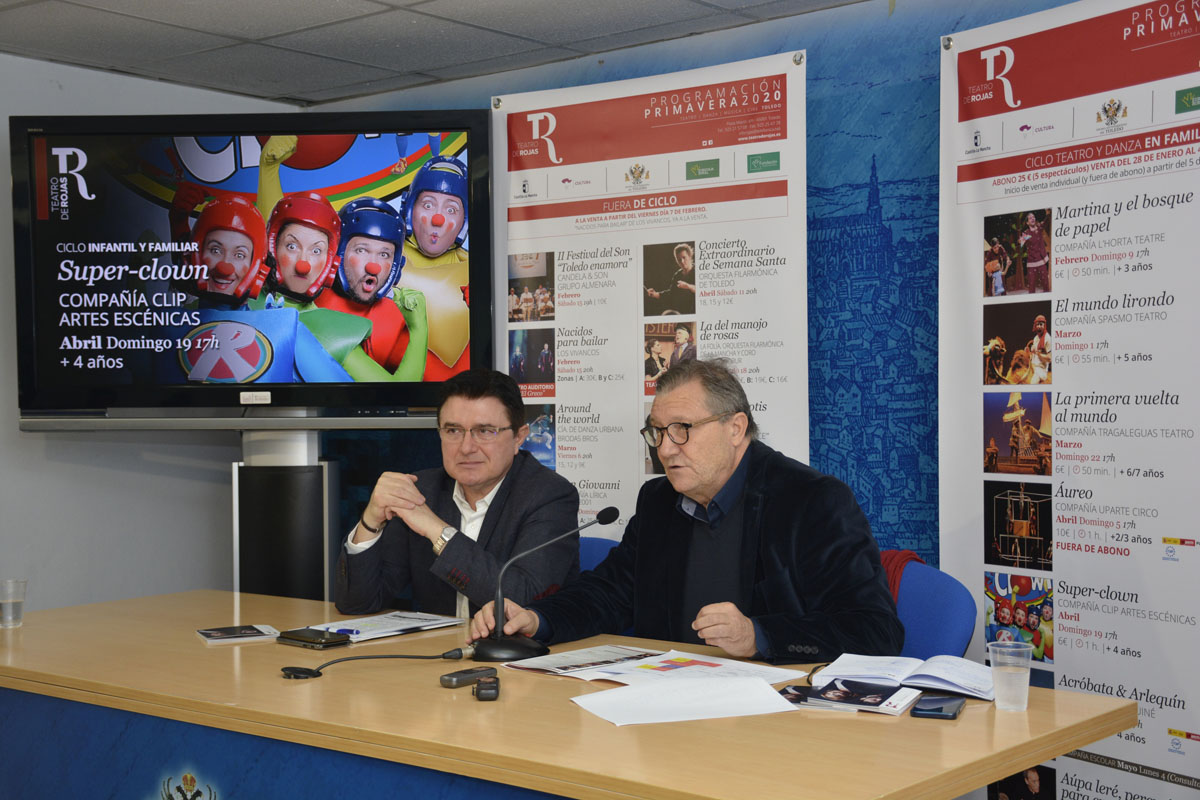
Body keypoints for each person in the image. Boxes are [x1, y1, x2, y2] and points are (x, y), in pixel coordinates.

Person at [468, 359, 903, 663]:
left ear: (735, 428)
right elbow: (611, 594)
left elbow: (873, 631)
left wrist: (760, 636)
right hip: (668, 700)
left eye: (682, 431)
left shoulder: (812, 501)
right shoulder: (660, 501)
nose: (665, 448)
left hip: (777, 717)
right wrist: (538, 619)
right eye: (656, 432)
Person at [335, 369, 581, 619]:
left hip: (519, 654)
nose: (466, 447)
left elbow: (520, 600)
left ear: (519, 437)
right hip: (440, 652)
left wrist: (437, 531)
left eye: (485, 431)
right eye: (453, 431)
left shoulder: (550, 496)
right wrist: (371, 521)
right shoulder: (422, 491)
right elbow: (357, 604)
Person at [314, 197, 430, 379]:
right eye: (361, 250)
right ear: (337, 252)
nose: (373, 266)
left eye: (384, 254)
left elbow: (431, 384)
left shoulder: (395, 315)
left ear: (396, 265)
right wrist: (419, 330)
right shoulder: (310, 301)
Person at [395, 156, 471, 380]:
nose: (437, 219)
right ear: (409, 210)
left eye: (451, 210)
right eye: (428, 205)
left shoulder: (473, 270)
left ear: (463, 222)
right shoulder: (384, 257)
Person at [646, 243, 696, 314]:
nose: (682, 261)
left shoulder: (698, 272)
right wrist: (655, 294)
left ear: (690, 256)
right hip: (682, 312)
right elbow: (671, 294)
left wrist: (688, 286)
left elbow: (703, 291)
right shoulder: (677, 275)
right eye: (679, 259)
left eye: (684, 257)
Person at [1026, 314, 1052, 384]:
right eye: (1037, 324)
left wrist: (1038, 353)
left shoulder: (1048, 338)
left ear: (1044, 326)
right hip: (1032, 366)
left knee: (1032, 383)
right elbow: (1034, 357)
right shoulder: (1036, 338)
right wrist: (1029, 353)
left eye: (1041, 324)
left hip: (1041, 370)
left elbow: (1050, 359)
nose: (1039, 326)